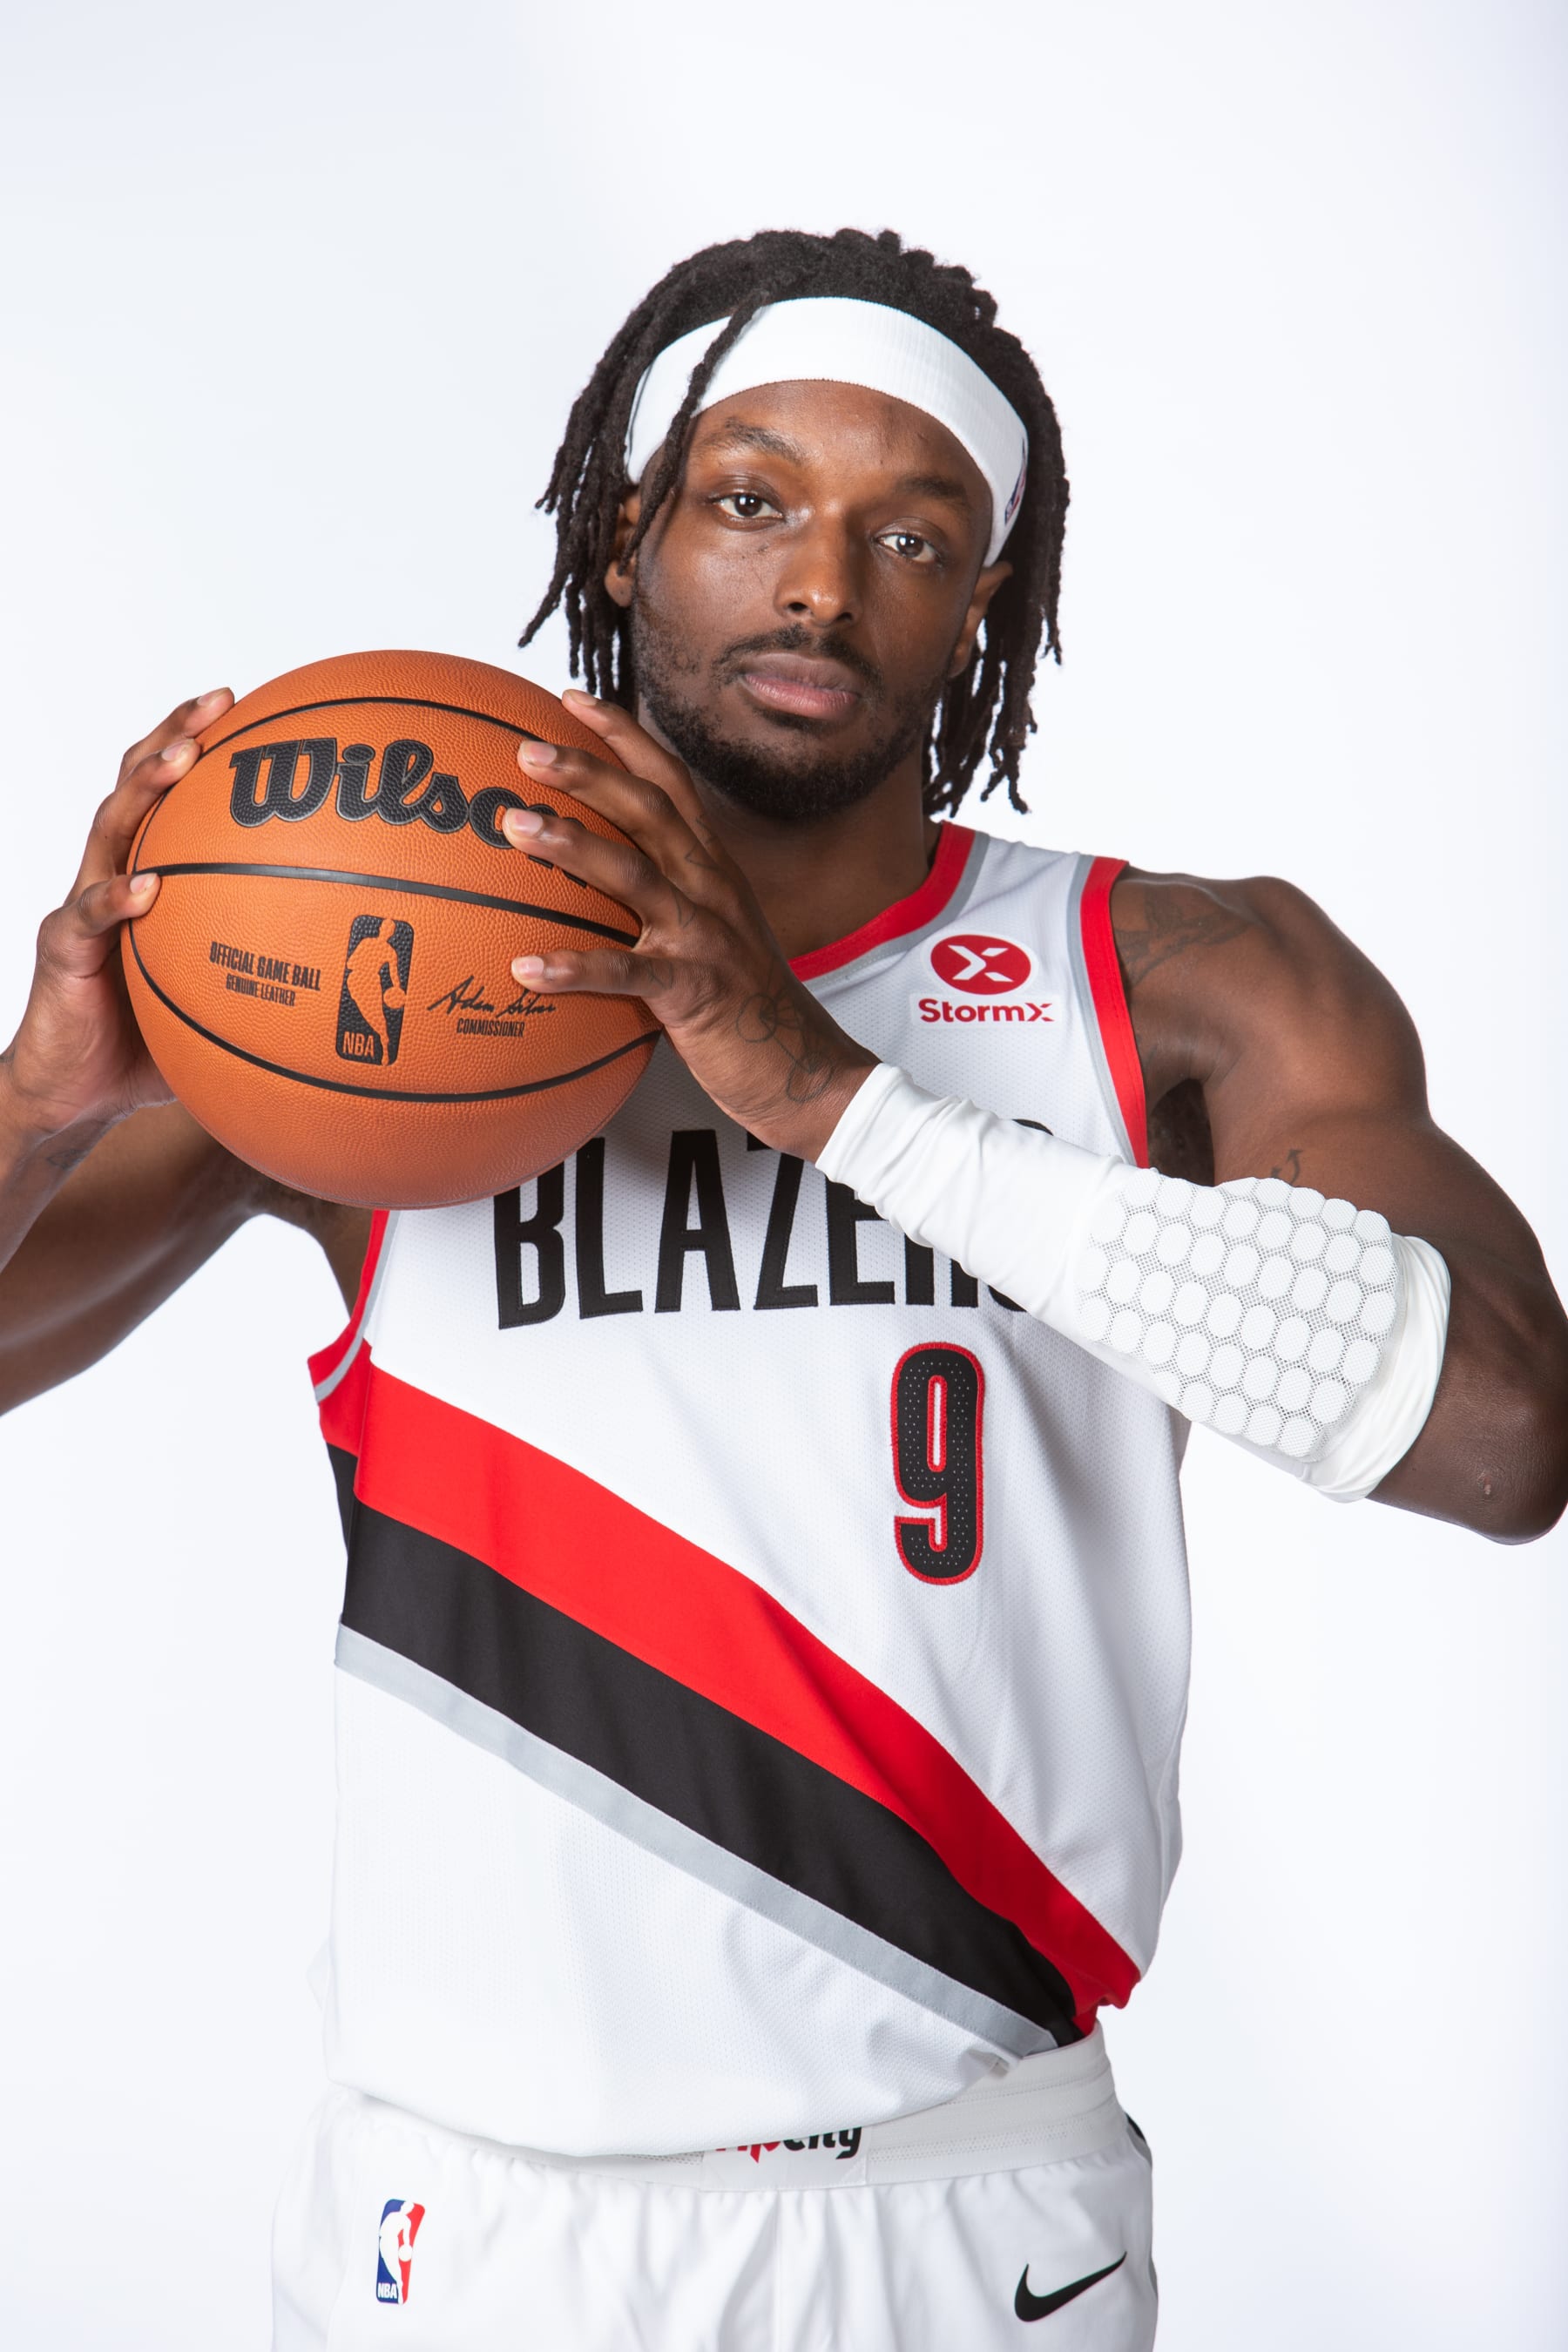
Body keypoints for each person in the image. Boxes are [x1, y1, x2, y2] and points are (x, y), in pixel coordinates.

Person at [2, 226, 1564, 2350]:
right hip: (459, 2227)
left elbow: (1502, 1440)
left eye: (912, 535)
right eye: (750, 503)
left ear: (985, 597)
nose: (823, 584)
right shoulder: (400, 1000)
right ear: (624, 534)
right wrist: (43, 1100)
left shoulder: (1185, 982)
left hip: (964, 2206)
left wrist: (845, 1104)